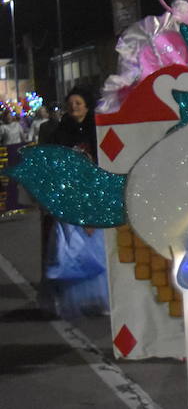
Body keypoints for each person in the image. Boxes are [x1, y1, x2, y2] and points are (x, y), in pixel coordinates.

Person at [42, 88, 108, 318]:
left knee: (97, 245)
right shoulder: (60, 131)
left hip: (94, 191)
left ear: (87, 105)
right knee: (68, 246)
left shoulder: (98, 128)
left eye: (78, 103)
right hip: (70, 194)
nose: (74, 107)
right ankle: (69, 296)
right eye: (71, 103)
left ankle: (101, 298)